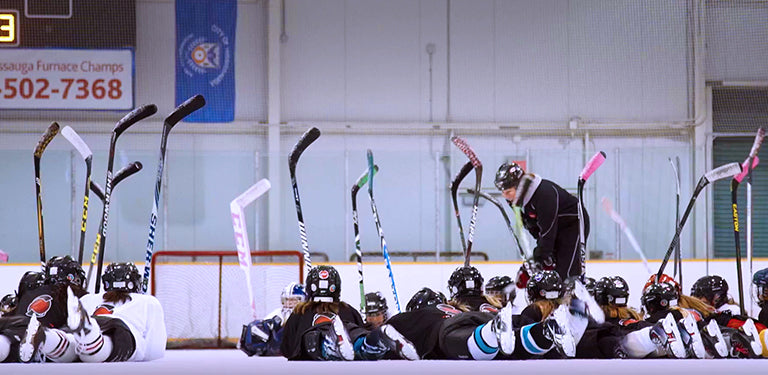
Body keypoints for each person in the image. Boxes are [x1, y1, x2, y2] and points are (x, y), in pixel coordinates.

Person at [279, 265, 416, 361]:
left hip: (315, 344)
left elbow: (287, 348)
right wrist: (369, 328)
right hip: (349, 333)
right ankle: (376, 339)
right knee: (359, 341)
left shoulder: (300, 312)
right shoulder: (347, 309)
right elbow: (361, 329)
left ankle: (330, 343)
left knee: (311, 339)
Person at [494, 162, 589, 282]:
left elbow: (547, 232)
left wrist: (538, 258)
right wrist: (542, 256)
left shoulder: (544, 195)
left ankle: (572, 297)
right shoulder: (514, 199)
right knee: (548, 272)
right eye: (503, 192)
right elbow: (534, 228)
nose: (505, 196)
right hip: (555, 228)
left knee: (565, 273)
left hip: (573, 224)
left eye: (508, 192)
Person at [70, 262, 167, 362]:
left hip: (90, 322)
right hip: (120, 329)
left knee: (69, 342)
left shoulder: (88, 299)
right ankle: (93, 342)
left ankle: (57, 340)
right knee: (112, 342)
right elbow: (155, 351)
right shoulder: (147, 301)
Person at [240, 281, 306, 357]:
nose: (289, 303)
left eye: (293, 300)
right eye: (287, 299)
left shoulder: (305, 315)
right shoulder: (278, 312)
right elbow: (262, 328)